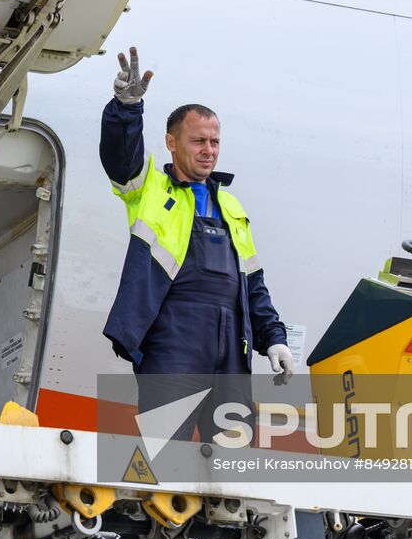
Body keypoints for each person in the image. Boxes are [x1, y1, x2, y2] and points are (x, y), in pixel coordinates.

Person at [100, 47, 293, 443]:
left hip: (230, 352)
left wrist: (274, 338)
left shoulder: (232, 206)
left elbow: (253, 285)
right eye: (199, 141)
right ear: (172, 143)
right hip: (173, 344)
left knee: (236, 459)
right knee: (164, 453)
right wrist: (126, 108)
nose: (208, 150)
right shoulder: (147, 188)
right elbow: (121, 157)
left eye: (215, 142)